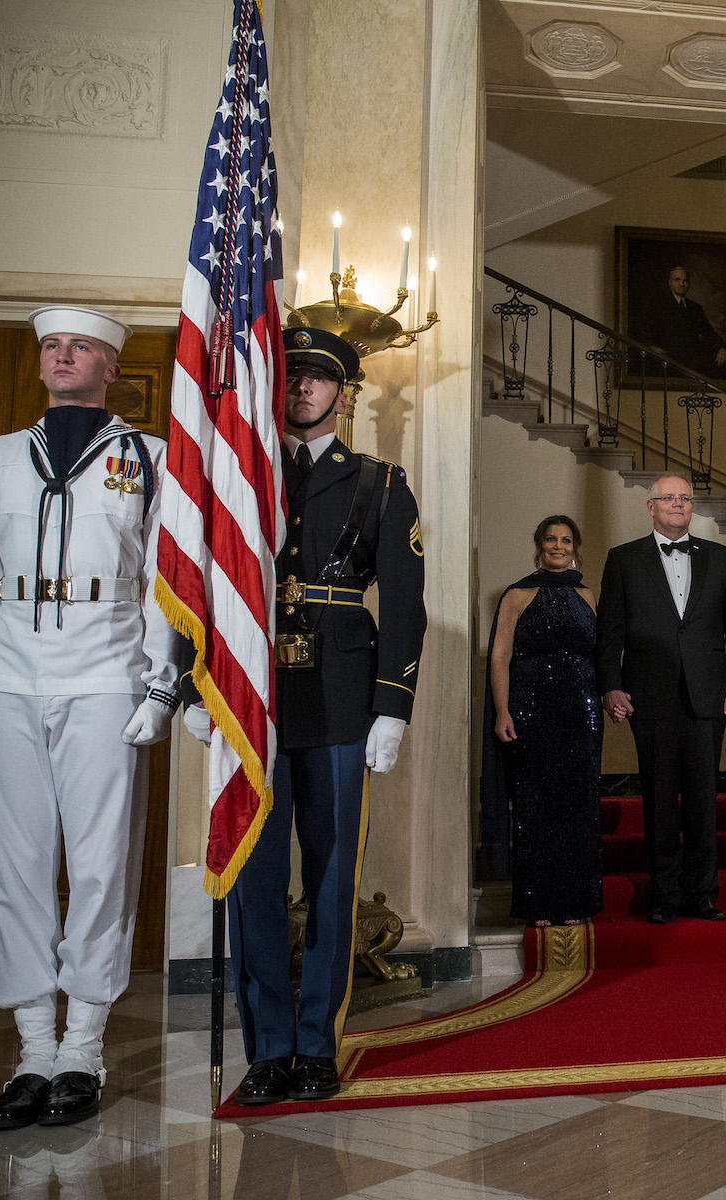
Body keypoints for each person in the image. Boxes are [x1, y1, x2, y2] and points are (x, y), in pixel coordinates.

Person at [0, 305, 181, 1129]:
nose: (63, 355)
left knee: (100, 864)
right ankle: (33, 1050)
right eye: (52, 345)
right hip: (12, 672)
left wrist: (160, 686)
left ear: (112, 366)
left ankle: (82, 1045)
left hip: (106, 672)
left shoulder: (149, 458)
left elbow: (164, 583)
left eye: (81, 346)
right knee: (16, 865)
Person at [191, 326, 427, 1106]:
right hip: (252, 699)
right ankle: (268, 1048)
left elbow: (405, 605)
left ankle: (317, 1044)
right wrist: (195, 687)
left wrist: (392, 706)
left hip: (342, 700)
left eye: (319, 378)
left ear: (344, 395)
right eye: (292, 376)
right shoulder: (242, 476)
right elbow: (202, 583)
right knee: (255, 875)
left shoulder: (381, 483)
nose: (302, 388)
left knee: (330, 878)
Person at [595, 474, 726, 924]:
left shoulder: (720, 557)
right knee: (659, 800)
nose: (678, 504)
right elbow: (609, 632)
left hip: (708, 693)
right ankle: (665, 895)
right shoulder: (623, 559)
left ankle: (703, 894)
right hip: (648, 694)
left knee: (703, 798)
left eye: (685, 498)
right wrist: (610, 684)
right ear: (651, 506)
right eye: (669, 498)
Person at [486, 516, 605, 927]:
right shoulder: (517, 594)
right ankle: (538, 904)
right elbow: (500, 656)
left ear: (575, 547)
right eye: (551, 539)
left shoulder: (588, 595)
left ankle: (576, 902)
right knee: (536, 807)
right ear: (539, 545)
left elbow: (599, 654)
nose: (559, 546)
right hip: (532, 711)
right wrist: (503, 710)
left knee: (578, 807)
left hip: (582, 713)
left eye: (566, 540)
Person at [643, 266, 726, 377]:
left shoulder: (695, 308)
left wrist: (721, 347)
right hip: (667, 360)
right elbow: (646, 329)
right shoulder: (658, 304)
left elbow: (708, 332)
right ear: (670, 283)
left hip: (691, 362)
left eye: (685, 281)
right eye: (677, 280)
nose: (682, 284)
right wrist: (651, 347)